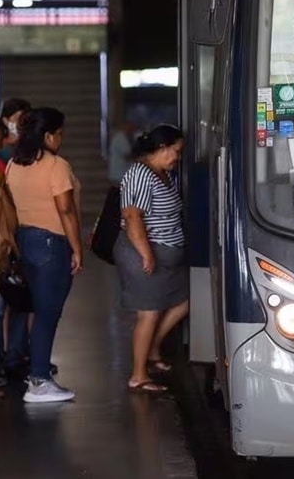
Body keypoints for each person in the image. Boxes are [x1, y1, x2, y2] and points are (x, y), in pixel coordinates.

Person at [6, 107, 82, 403]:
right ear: (48, 135)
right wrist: (77, 248)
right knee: (48, 313)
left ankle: (38, 375)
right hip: (52, 243)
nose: (61, 139)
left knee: (40, 311)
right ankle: (39, 379)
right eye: (60, 133)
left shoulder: (14, 164)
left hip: (26, 240)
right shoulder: (56, 165)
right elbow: (66, 210)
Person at [114, 125, 188, 395]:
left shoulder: (162, 174)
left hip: (165, 254)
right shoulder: (139, 174)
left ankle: (153, 346)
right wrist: (147, 254)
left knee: (184, 299)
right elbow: (133, 216)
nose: (177, 158)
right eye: (175, 152)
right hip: (143, 253)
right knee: (148, 313)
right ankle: (138, 374)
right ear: (160, 148)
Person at [108, 121, 137, 186]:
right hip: (119, 174)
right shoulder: (120, 138)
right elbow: (127, 155)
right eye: (131, 128)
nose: (132, 130)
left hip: (122, 174)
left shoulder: (128, 137)